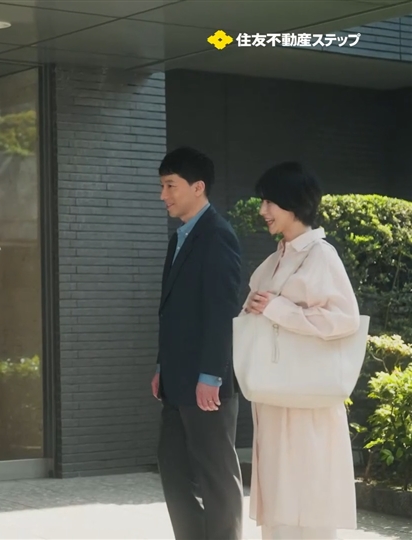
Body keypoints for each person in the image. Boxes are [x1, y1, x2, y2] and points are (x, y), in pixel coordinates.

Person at [240, 162, 360, 540]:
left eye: (270, 202)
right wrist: (255, 308)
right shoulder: (278, 256)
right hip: (277, 395)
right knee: (281, 498)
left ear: (294, 204)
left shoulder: (320, 255)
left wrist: (278, 310)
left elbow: (345, 319)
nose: (263, 210)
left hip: (307, 399)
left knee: (307, 496)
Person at [153, 147, 244, 540]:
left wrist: (211, 375)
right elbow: (172, 312)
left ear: (198, 187)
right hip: (176, 380)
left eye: (170, 186)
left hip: (207, 384)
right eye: (162, 186)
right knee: (173, 470)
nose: (163, 195)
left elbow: (222, 311)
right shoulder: (179, 238)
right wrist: (162, 365)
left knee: (215, 475)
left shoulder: (218, 235)